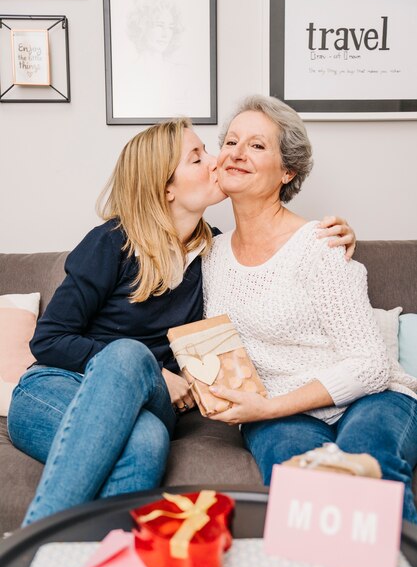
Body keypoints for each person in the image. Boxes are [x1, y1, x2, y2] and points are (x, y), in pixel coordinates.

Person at [7, 116, 355, 527]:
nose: (215, 160)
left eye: (207, 150)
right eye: (197, 157)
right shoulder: (111, 243)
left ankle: (37, 548)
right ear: (166, 187)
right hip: (54, 390)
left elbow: (275, 262)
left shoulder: (218, 250)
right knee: (146, 438)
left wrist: (334, 239)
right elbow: (48, 339)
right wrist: (154, 368)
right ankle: (85, 558)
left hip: (151, 398)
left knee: (134, 370)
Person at [203, 95, 417, 522]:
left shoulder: (320, 244)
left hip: (371, 398)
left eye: (257, 146)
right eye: (231, 141)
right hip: (278, 415)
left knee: (368, 466)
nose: (238, 153)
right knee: (303, 486)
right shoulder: (208, 253)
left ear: (287, 171)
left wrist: (269, 408)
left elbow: (371, 367)